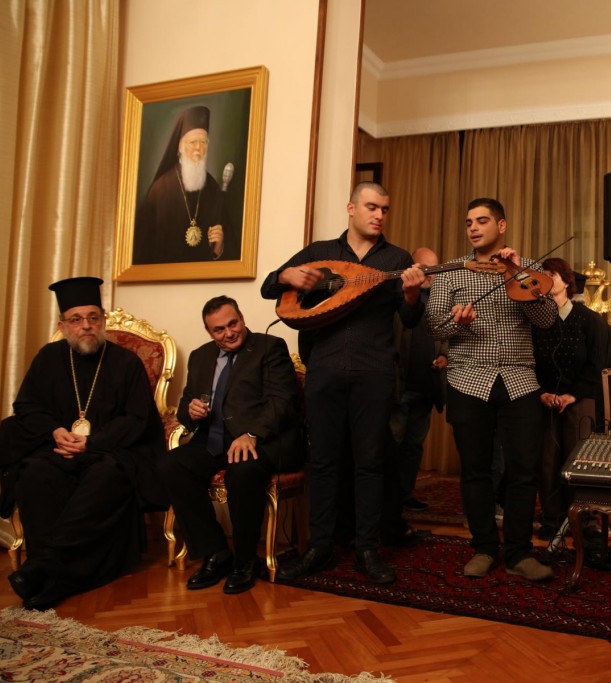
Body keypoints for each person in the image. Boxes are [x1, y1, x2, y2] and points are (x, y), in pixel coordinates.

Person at [260, 182, 425, 585]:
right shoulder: (320, 252)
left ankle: (367, 549)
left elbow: (410, 320)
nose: (379, 215)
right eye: (371, 207)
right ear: (351, 208)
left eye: (384, 209)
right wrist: (286, 274)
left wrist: (411, 295)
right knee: (323, 461)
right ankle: (320, 547)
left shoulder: (397, 258)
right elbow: (268, 288)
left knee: (370, 462)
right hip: (325, 370)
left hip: (374, 372)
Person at [0, 277, 168, 610]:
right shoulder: (48, 358)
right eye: (76, 319)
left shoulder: (126, 363)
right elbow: (26, 406)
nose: (86, 325)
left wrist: (92, 443)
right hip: (59, 448)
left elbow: (137, 419)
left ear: (103, 320)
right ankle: (55, 575)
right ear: (63, 326)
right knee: (33, 473)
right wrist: (55, 431)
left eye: (93, 317)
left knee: (108, 475)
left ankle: (43, 570)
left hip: (107, 453)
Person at [426, 197, 557, 581]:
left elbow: (546, 319)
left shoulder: (528, 268)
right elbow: (435, 326)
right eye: (469, 222)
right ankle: (483, 547)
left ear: (501, 226)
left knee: (523, 472)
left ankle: (518, 552)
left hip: (519, 381)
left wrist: (516, 274)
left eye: (482, 221)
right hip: (467, 380)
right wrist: (459, 323)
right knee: (475, 470)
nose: (473, 228)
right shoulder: (451, 271)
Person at [159, 296, 302, 595]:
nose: (229, 333)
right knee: (172, 465)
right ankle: (215, 552)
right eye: (219, 329)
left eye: (232, 323)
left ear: (242, 317)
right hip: (213, 439)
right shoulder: (200, 356)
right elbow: (185, 403)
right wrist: (191, 411)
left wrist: (251, 433)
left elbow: (283, 400)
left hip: (262, 440)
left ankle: (244, 561)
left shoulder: (269, 347)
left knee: (243, 470)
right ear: (209, 332)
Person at [531, 258, 611, 540]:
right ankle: (552, 518)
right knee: (547, 459)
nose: (547, 279)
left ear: (566, 281)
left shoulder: (590, 321)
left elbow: (597, 365)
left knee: (578, 456)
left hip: (581, 396)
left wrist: (572, 395)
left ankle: (584, 519)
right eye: (542, 275)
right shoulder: (535, 321)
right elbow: (529, 362)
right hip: (546, 398)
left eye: (552, 274)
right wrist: (542, 393)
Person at [134, 105, 237, 264]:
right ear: (180, 146)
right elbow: (143, 250)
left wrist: (219, 248)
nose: (198, 148)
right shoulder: (160, 190)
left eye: (203, 142)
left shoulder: (213, 188)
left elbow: (230, 253)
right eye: (193, 142)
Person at [391, 247, 448, 513]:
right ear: (413, 267)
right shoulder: (400, 298)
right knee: (393, 445)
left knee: (413, 447)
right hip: (399, 389)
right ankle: (389, 503)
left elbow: (444, 338)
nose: (432, 274)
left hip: (426, 389)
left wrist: (444, 355)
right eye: (427, 269)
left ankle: (404, 495)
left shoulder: (438, 300)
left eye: (435, 269)